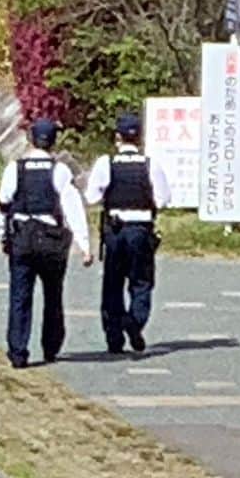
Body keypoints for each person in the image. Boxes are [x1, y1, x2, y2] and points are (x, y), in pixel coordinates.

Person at [0, 118, 93, 368]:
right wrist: (84, 245)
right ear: (53, 142)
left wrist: (3, 235)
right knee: (53, 294)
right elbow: (73, 209)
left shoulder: (15, 169)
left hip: (22, 237)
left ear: (30, 140)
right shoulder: (60, 171)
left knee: (20, 296)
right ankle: (51, 346)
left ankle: (18, 351)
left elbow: (3, 205)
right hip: (51, 240)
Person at [85, 113, 172, 355]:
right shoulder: (150, 165)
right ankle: (134, 322)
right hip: (141, 229)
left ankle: (114, 338)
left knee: (112, 284)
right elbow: (163, 200)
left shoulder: (106, 163)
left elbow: (91, 197)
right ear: (140, 138)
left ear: (117, 137)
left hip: (115, 229)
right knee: (141, 282)